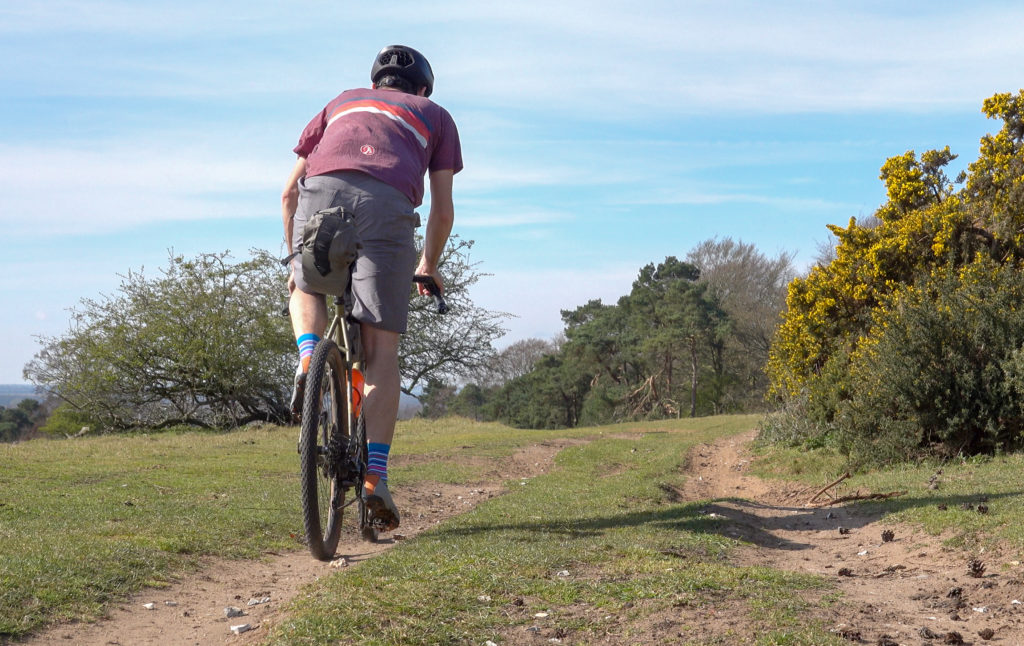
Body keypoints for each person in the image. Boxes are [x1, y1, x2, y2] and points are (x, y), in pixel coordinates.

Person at [281, 45, 462, 532]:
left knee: (306, 287)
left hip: (320, 195)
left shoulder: (341, 102)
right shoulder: (435, 116)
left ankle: (306, 360)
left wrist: (297, 260)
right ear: (421, 89)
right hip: (387, 207)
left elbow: (288, 191)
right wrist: (429, 264)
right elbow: (442, 210)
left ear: (375, 84)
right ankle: (374, 480)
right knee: (382, 352)